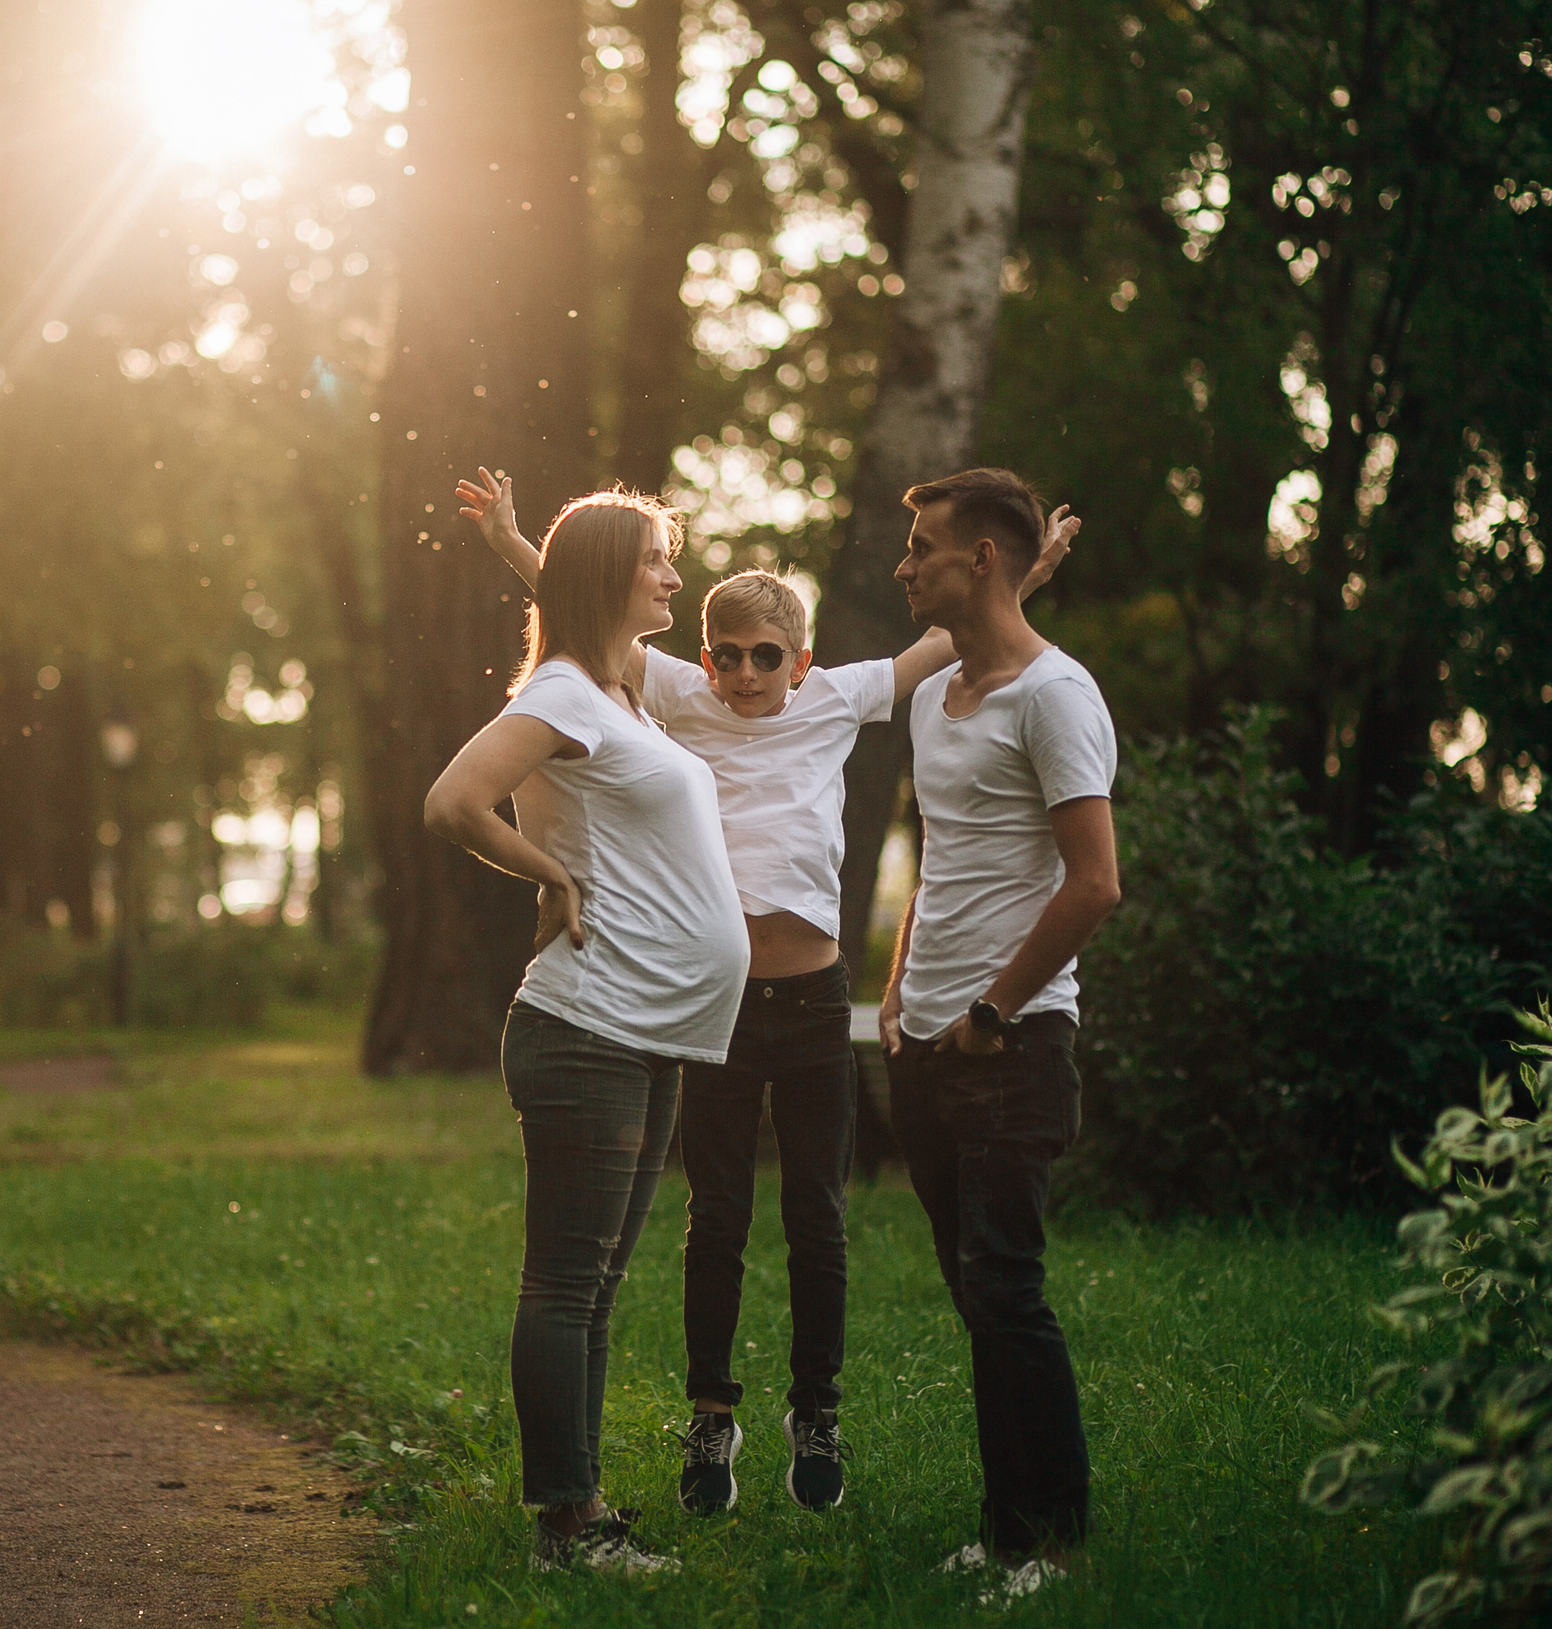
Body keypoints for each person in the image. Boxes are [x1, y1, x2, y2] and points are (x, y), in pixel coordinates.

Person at [455, 470, 1077, 1517]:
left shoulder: (837, 698)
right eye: (728, 655)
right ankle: (711, 1414)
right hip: (716, 1010)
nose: (744, 673)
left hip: (813, 1000)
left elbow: (949, 636)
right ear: (704, 659)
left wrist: (1026, 572)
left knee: (817, 1216)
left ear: (802, 661)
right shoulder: (676, 696)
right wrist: (517, 544)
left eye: (766, 657)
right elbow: (585, 601)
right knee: (716, 1217)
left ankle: (815, 1408)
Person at [423, 490, 748, 1576]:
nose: (674, 577)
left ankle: (581, 1511)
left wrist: (522, 547)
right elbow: (454, 801)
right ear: (613, 575)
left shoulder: (618, 691)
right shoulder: (565, 692)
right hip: (589, 1023)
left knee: (595, 1288)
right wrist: (550, 872)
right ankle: (565, 1527)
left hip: (643, 1029)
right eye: (656, 559)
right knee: (567, 1286)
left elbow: (570, 598)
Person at [877, 467, 1121, 1604]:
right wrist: (898, 991)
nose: (904, 565)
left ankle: (1053, 1545)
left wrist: (990, 1012)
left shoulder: (1056, 696)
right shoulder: (935, 696)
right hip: (926, 1044)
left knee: (1008, 1291)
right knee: (975, 1293)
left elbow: (1094, 883)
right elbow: (941, 859)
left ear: (979, 559)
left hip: (1009, 1046)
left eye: (921, 546)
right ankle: (1005, 1527)